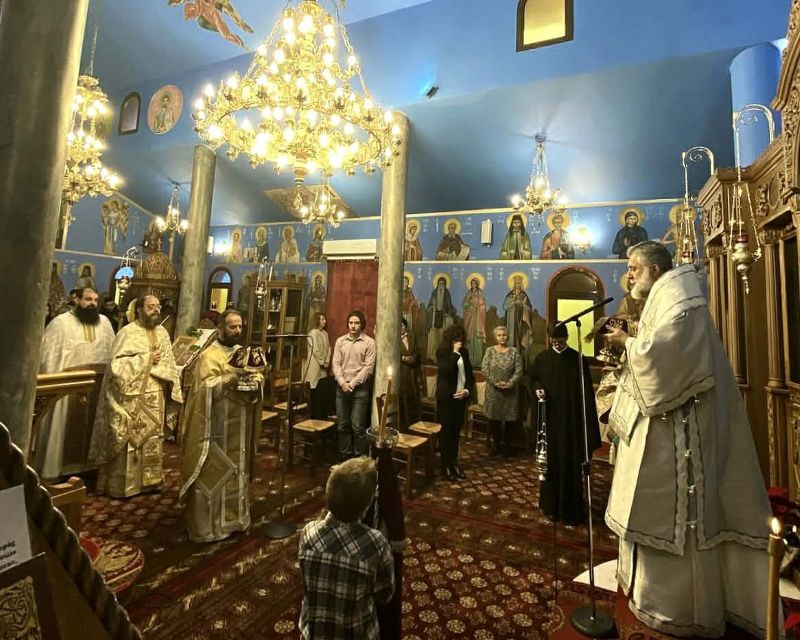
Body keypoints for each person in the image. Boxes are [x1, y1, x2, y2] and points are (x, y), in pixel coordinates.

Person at [604, 240, 771, 636]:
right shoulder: (668, 296)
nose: (629, 274)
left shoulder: (681, 299)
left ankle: (679, 607)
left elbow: (664, 360)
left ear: (655, 270)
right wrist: (632, 341)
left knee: (681, 520)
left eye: (634, 268)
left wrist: (627, 343)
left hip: (680, 433)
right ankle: (649, 593)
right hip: (667, 427)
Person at [179, 309, 262, 542]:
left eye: (240, 326)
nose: (237, 331)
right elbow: (203, 389)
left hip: (239, 425)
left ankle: (235, 520)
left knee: (237, 470)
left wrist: (257, 381)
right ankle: (210, 527)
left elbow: (257, 374)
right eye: (232, 327)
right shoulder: (209, 356)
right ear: (220, 329)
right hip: (214, 428)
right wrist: (228, 380)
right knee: (214, 472)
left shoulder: (241, 353)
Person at [89, 294, 183, 497]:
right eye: (151, 307)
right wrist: (147, 358)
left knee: (152, 437)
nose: (156, 310)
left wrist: (172, 386)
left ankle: (151, 482)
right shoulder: (128, 332)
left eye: (158, 306)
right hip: (131, 398)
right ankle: (125, 486)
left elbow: (169, 363)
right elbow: (116, 366)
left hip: (156, 393)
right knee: (130, 438)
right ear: (139, 310)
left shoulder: (162, 333)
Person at [298, 456, 395, 640]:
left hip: (314, 633)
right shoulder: (376, 543)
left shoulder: (308, 532)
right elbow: (386, 594)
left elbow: (304, 582)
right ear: (366, 506)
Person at [36, 287, 115, 479]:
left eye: (95, 300)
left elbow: (112, 352)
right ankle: (57, 470)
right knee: (63, 429)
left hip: (97, 385)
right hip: (67, 387)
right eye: (88, 299)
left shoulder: (105, 323)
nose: (92, 304)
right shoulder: (60, 323)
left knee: (94, 426)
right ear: (77, 300)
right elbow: (48, 356)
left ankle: (90, 468)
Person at [528, 322, 600, 524]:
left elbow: (586, 394)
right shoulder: (542, 358)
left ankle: (570, 510)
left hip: (571, 423)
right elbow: (533, 378)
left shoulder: (577, 359)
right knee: (550, 465)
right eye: (554, 341)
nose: (557, 344)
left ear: (566, 338)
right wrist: (538, 388)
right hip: (550, 422)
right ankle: (550, 506)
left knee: (570, 464)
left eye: (560, 341)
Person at [332, 311, 376, 459]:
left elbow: (368, 367)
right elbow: (336, 364)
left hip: (360, 388)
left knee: (357, 426)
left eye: (356, 323)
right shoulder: (340, 341)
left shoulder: (369, 342)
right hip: (342, 387)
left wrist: (352, 383)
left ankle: (359, 459)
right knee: (342, 425)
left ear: (362, 324)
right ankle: (345, 456)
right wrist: (342, 382)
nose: (353, 326)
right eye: (351, 323)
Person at [436, 325, 474, 482]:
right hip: (446, 399)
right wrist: (455, 353)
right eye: (456, 339)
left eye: (461, 339)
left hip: (460, 398)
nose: (460, 342)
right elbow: (445, 370)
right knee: (446, 433)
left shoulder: (465, 352)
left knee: (456, 433)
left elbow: (469, 376)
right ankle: (445, 465)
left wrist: (467, 391)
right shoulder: (443, 352)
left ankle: (454, 462)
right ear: (450, 339)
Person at [481, 326, 523, 457]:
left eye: (504, 335)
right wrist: (496, 383)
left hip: (510, 393)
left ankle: (508, 446)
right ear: (495, 337)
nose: (502, 337)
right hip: (494, 391)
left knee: (509, 421)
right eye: (499, 335)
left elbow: (519, 370)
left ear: (507, 336)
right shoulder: (490, 351)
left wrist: (509, 383)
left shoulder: (514, 352)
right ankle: (496, 445)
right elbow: (485, 369)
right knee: (494, 420)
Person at [303, 313, 332, 420]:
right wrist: (322, 362)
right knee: (314, 390)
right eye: (322, 319)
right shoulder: (312, 333)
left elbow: (329, 348)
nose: (325, 321)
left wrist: (327, 361)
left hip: (323, 366)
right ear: (317, 320)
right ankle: (313, 417)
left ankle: (321, 417)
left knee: (322, 389)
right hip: (314, 365)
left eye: (324, 319)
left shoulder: (325, 333)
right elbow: (315, 349)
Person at [399, 318, 421, 429]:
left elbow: (417, 351)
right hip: (401, 373)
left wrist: (413, 358)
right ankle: (404, 425)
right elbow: (391, 353)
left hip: (412, 373)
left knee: (414, 398)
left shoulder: (412, 337)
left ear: (405, 326)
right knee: (403, 399)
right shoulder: (394, 339)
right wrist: (403, 358)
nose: (401, 328)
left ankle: (414, 424)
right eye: (399, 326)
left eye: (402, 325)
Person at [426, 277, 455, 361]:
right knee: (434, 338)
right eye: (440, 283)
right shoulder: (434, 293)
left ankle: (443, 355)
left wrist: (448, 312)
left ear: (445, 285)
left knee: (442, 337)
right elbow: (429, 306)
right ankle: (432, 355)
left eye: (443, 284)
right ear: (437, 284)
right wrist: (432, 308)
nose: (441, 285)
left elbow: (449, 306)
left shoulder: (447, 294)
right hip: (434, 317)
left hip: (443, 318)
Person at [502, 275, 533, 354]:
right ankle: (510, 352)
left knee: (520, 335)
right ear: (514, 284)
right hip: (511, 320)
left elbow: (529, 308)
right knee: (512, 335)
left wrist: (523, 304)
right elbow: (505, 306)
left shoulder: (524, 295)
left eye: (519, 283)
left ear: (521, 284)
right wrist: (514, 302)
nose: (517, 285)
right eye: (516, 283)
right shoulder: (510, 295)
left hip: (521, 319)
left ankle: (519, 352)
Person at [462, 277, 486, 366]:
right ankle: (470, 360)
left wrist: (478, 308)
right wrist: (470, 304)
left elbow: (482, 305)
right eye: (472, 283)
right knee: (470, 339)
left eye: (475, 283)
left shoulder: (479, 293)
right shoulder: (468, 293)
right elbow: (464, 304)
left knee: (478, 339)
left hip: (478, 318)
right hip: (470, 318)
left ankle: (478, 361)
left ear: (477, 284)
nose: (473, 285)